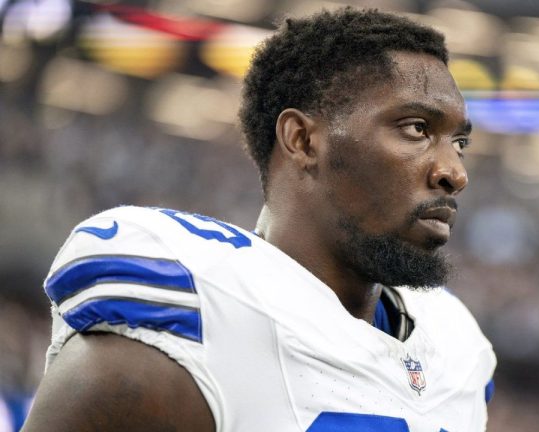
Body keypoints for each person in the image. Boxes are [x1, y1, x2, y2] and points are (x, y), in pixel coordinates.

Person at [22, 8, 496, 432]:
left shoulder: (455, 346)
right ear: (304, 140)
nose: (455, 173)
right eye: (417, 129)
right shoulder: (195, 318)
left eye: (459, 142)